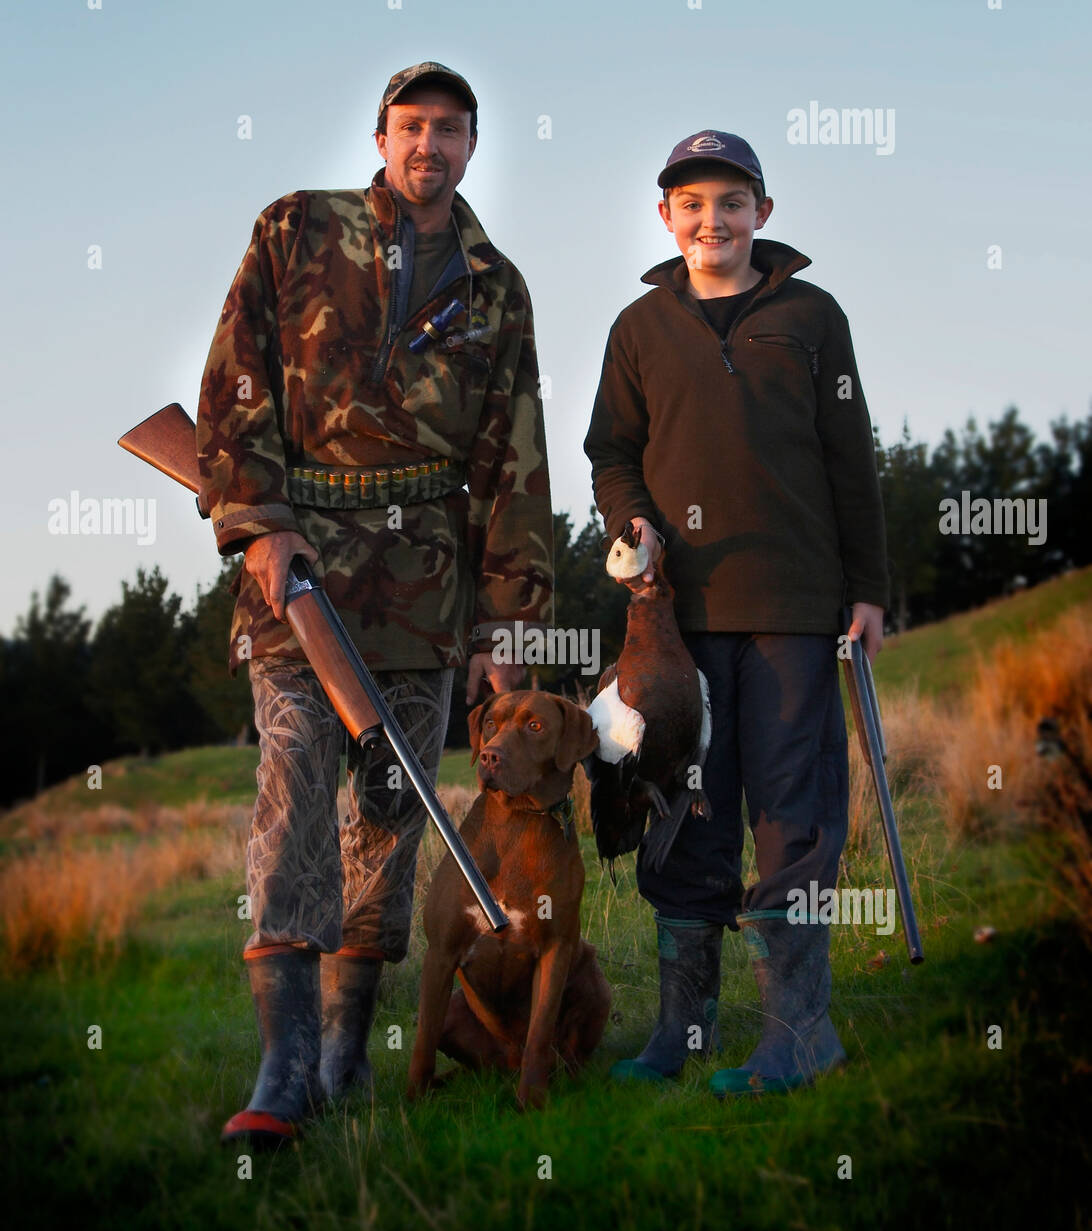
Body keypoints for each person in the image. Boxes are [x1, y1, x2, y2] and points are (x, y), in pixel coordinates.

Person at [197, 62, 553, 1145]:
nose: (428, 145)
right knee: (293, 790)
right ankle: (284, 1066)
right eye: (411, 126)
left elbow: (515, 459)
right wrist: (256, 518)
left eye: (449, 128)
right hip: (297, 577)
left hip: (425, 591)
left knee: (390, 820)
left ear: (475, 144)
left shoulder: (498, 288)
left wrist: (512, 622)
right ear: (382, 133)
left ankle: (351, 1048)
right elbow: (236, 375)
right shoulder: (296, 229)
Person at [585, 130, 888, 1095]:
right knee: (684, 806)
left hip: (796, 609)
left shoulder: (812, 314)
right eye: (691, 203)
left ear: (763, 210)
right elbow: (611, 452)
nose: (710, 219)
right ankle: (685, 1029)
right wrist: (632, 523)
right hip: (675, 623)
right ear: (664, 216)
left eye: (730, 201)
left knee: (793, 811)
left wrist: (870, 589)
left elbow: (851, 457)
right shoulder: (638, 329)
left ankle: (801, 1032)